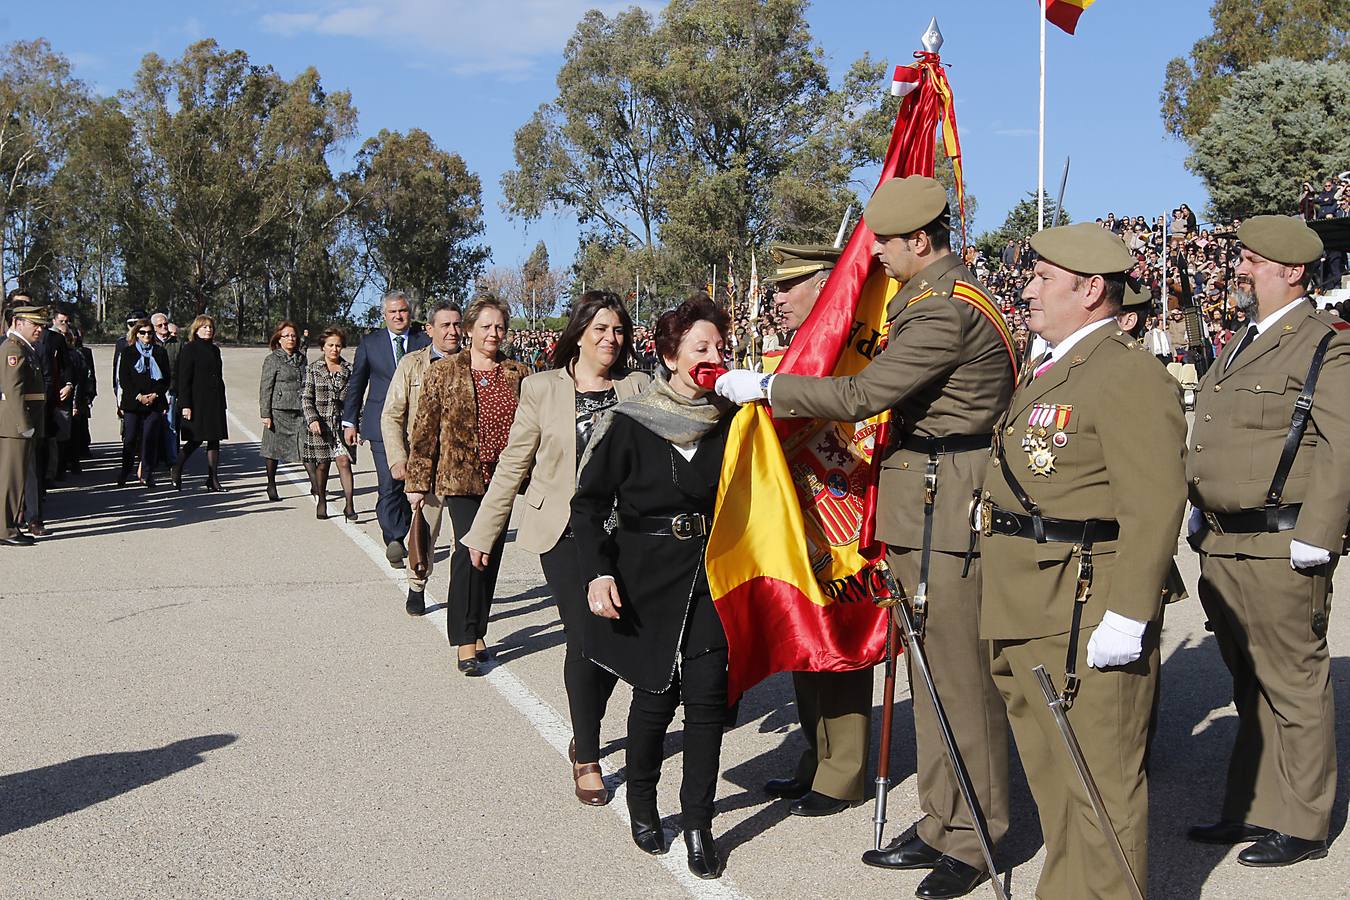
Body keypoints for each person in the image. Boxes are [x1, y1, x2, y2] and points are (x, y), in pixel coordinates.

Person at [718, 175, 1015, 900]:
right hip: (924, 512)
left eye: (882, 241)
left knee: (960, 687)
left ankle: (973, 839)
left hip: (949, 512)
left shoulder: (945, 310)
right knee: (932, 677)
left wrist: (768, 389)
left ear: (921, 240)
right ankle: (943, 819)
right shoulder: (927, 298)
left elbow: (864, 396)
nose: (873, 253)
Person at [978, 223, 1186, 900]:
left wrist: (1127, 617)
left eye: (1042, 277)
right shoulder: (1055, 364)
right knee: (1054, 779)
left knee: (1099, 787)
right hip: (1027, 600)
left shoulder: (1124, 372)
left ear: (1090, 288)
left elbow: (1154, 503)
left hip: (1080, 608)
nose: (1027, 286)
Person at [1185, 216, 1349, 867]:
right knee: (1250, 683)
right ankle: (1254, 806)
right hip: (1224, 546)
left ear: (1291, 271)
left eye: (1252, 261)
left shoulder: (1324, 346)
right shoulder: (1241, 341)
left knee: (1294, 683)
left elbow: (1343, 448)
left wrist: (1319, 534)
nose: (1241, 269)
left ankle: (1304, 822)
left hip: (1282, 545)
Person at [461, 291, 648, 803]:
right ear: (580, 331)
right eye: (601, 329)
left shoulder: (639, 385)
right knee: (587, 637)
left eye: (619, 331)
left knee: (622, 641)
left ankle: (587, 716)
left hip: (627, 534)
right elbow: (513, 465)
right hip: (565, 534)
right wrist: (484, 531)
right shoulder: (542, 389)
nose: (611, 339)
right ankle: (587, 753)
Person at [572, 295, 736, 879]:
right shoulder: (631, 421)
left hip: (711, 580)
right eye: (700, 347)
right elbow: (588, 507)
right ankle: (643, 801)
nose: (713, 357)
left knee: (708, 706)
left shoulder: (732, 423)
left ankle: (698, 823)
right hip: (645, 578)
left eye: (720, 347)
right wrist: (598, 570)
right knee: (653, 701)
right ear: (669, 354)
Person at [751, 242, 877, 820]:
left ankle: (843, 772)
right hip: (793, 522)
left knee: (843, 645)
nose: (776, 298)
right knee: (805, 641)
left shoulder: (857, 354)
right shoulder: (790, 353)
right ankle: (816, 754)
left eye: (787, 288)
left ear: (825, 287)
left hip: (842, 523)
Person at [405, 296, 529, 674]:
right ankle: (463, 638)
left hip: (503, 479)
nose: (493, 333)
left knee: (490, 557)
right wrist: (417, 480)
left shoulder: (518, 373)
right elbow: (424, 431)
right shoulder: (444, 372)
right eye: (486, 326)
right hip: (460, 477)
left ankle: (478, 630)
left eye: (500, 327)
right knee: (466, 553)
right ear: (470, 330)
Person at [381, 300, 464, 615]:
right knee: (425, 534)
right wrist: (398, 458)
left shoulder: (474, 364)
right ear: (429, 329)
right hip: (425, 465)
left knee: (466, 540)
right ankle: (417, 585)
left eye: (457, 324)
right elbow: (391, 416)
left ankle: (463, 596)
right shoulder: (411, 365)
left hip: (465, 468)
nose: (452, 331)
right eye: (445, 325)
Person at [342, 290, 430, 569]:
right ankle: (394, 538)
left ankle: (403, 529)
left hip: (417, 425)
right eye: (392, 312)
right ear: (384, 315)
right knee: (389, 481)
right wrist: (349, 421)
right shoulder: (371, 343)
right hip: (380, 424)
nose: (398, 316)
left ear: (410, 312)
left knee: (409, 484)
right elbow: (357, 383)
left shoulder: (423, 341)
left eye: (402, 311)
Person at [1, 306, 46, 546]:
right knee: (12, 479)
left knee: (15, 478)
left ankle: (8, 526)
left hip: (23, 423)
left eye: (41, 325)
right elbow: (14, 390)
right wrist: (24, 424)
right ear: (18, 323)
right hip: (16, 426)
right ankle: (5, 529)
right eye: (34, 324)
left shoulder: (24, 349)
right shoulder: (13, 349)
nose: (39, 329)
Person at [302, 327, 357, 521]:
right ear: (323, 347)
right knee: (323, 465)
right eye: (330, 345)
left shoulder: (349, 369)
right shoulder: (313, 369)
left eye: (338, 345)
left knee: (344, 462)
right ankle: (322, 499)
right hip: (320, 425)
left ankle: (349, 505)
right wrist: (313, 419)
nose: (334, 349)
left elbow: (355, 399)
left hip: (342, 424)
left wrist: (358, 424)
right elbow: (306, 398)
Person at [173, 315, 229, 491]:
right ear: (196, 330)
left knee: (214, 439)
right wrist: (185, 405)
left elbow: (218, 377)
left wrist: (222, 401)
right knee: (195, 439)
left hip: (214, 401)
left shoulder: (215, 350)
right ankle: (176, 468)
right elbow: (183, 379)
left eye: (210, 327)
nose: (208, 330)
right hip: (196, 402)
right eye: (204, 327)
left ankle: (212, 479)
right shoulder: (189, 349)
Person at [117, 319, 171, 487]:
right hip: (133, 403)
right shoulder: (127, 353)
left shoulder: (160, 353)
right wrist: (139, 396)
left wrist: (154, 394)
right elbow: (124, 379)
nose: (146, 335)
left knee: (149, 439)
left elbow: (166, 378)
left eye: (149, 332)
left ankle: (147, 474)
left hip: (154, 403)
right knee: (130, 438)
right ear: (136, 334)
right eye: (143, 333)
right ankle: (125, 471)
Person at [259, 320, 307, 502]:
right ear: (279, 339)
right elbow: (265, 387)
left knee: (306, 447)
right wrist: (265, 413)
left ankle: (316, 486)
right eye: (286, 336)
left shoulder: (302, 358)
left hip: (299, 409)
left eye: (294, 335)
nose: (291, 339)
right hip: (278, 410)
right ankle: (271, 483)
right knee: (272, 450)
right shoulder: (272, 359)